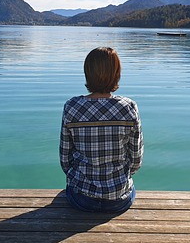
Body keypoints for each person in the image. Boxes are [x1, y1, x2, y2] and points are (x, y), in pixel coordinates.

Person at [60, 47, 144, 213]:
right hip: (118, 199)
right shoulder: (128, 107)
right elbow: (136, 160)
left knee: (67, 191)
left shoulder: (72, 107)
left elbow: (65, 160)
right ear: (116, 74)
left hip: (82, 199)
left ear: (87, 73)